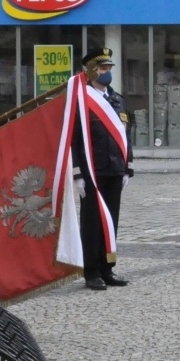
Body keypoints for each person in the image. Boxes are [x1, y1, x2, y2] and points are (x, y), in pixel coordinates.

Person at [73, 48, 134, 291]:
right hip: (92, 170)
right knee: (92, 223)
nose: (107, 71)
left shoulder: (117, 100)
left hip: (114, 169)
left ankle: (108, 268)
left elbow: (126, 135)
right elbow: (73, 139)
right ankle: (92, 272)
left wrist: (128, 166)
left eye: (109, 68)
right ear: (89, 70)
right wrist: (77, 172)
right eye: (102, 68)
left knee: (111, 220)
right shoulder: (80, 100)